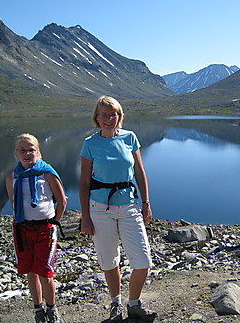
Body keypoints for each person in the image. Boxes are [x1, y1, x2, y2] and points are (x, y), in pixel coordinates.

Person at [79, 96, 157, 322]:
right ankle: (115, 303)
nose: (108, 119)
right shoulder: (90, 143)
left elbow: (140, 173)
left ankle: (134, 304)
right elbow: (84, 183)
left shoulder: (130, 138)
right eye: (103, 114)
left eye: (112, 114)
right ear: (96, 117)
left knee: (142, 261)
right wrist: (85, 216)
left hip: (130, 205)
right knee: (110, 260)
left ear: (119, 117)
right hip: (100, 208)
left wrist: (146, 202)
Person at [6, 133, 67, 323]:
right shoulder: (12, 176)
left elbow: (62, 201)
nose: (27, 153)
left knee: (45, 272)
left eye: (31, 149)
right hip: (22, 230)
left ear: (38, 151)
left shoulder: (47, 173)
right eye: (22, 150)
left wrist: (53, 222)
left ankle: (51, 308)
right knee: (30, 271)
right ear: (16, 153)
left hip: (44, 229)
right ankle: (38, 309)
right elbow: (14, 203)